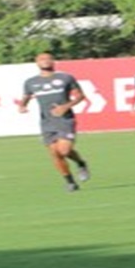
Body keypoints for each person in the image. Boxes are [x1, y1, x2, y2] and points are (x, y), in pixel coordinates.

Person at [16, 52, 91, 191]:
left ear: (53, 61)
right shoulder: (31, 82)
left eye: (47, 58)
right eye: (41, 59)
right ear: (36, 63)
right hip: (46, 122)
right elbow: (26, 96)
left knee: (64, 150)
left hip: (65, 120)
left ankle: (81, 163)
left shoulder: (65, 78)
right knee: (54, 153)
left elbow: (80, 96)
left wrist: (65, 106)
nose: (45, 61)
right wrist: (22, 106)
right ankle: (70, 182)